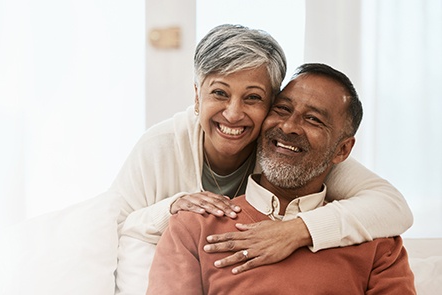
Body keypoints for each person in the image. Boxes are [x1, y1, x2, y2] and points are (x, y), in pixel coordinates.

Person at [113, 24, 412, 293]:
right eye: (219, 92)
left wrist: (296, 231)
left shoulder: (374, 239)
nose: (233, 113)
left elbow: (392, 205)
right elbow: (114, 229)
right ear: (196, 96)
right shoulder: (188, 215)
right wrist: (174, 207)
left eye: (253, 98)